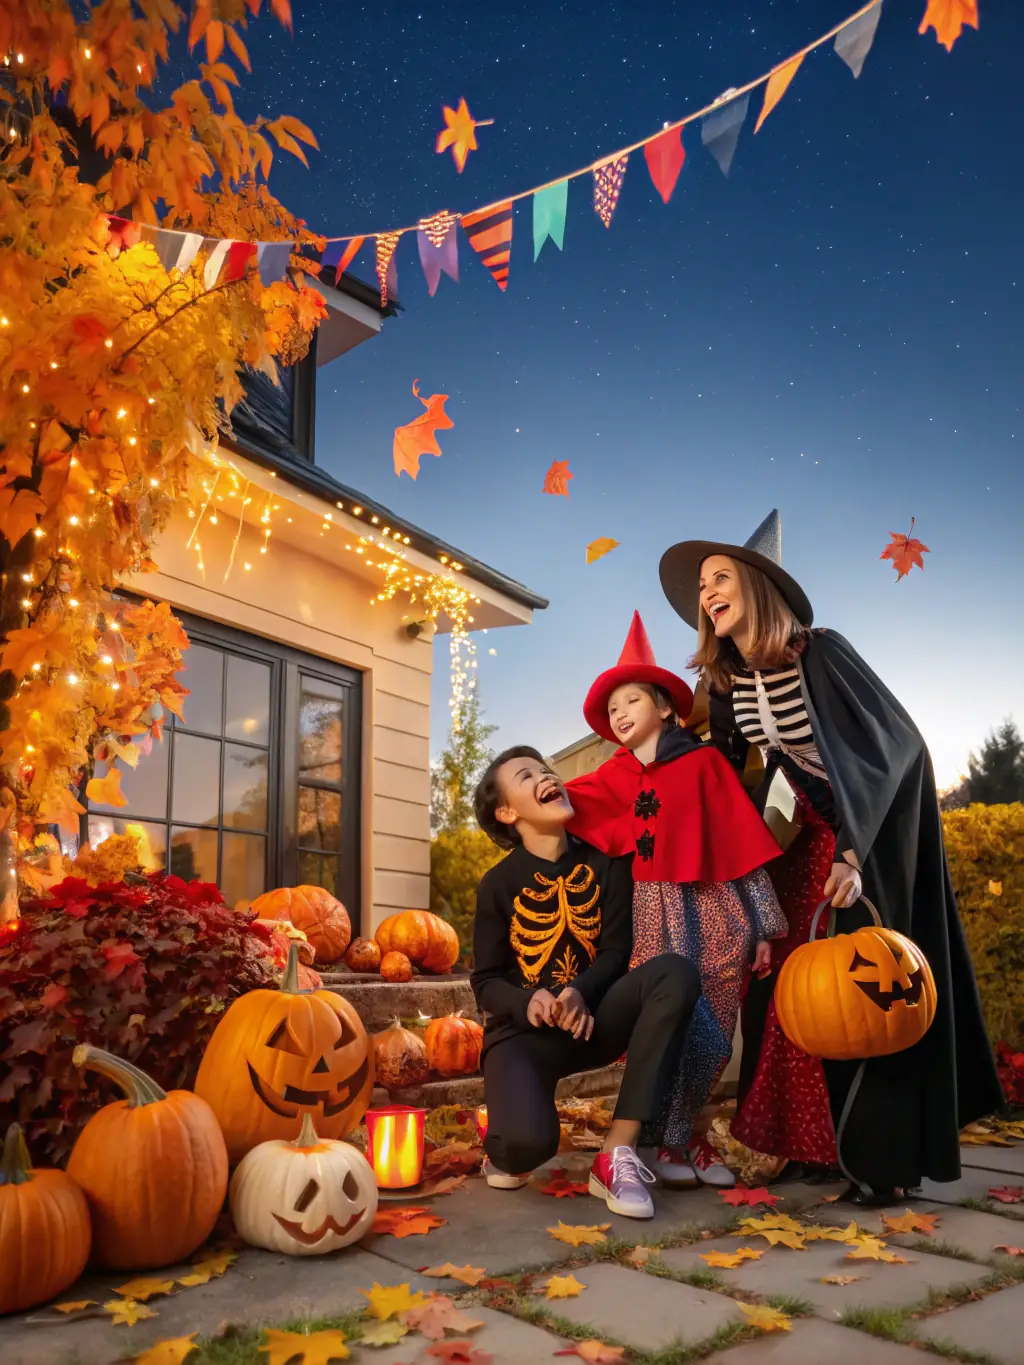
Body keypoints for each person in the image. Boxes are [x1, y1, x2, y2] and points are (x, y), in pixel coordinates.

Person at [658, 509, 1004, 1207]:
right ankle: (808, 1144)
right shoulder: (728, 681)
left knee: (857, 979)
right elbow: (730, 774)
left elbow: (895, 744)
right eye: (701, 585)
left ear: (758, 585)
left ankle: (881, 1158)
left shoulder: (822, 652)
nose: (709, 593)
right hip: (797, 830)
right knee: (780, 978)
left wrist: (854, 851)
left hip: (864, 827)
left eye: (721, 577)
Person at [563, 612, 788, 1189]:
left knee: (714, 1028)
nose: (618, 713)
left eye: (630, 700)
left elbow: (741, 844)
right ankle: (658, 1140)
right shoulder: (609, 776)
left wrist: (762, 926)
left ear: (665, 706)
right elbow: (554, 801)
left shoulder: (706, 765)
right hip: (650, 916)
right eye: (611, 708)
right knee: (662, 1025)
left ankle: (685, 1136)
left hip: (718, 911)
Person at [471, 744, 700, 1219]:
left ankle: (617, 1153)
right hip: (523, 1037)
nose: (544, 775)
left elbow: (616, 950)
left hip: (592, 1022)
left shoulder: (607, 863)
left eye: (544, 768)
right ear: (508, 811)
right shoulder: (497, 883)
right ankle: (505, 1128)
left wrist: (581, 991)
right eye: (525, 774)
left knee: (674, 973)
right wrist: (526, 1000)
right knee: (523, 1151)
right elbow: (486, 980)